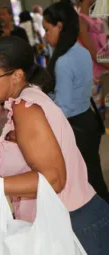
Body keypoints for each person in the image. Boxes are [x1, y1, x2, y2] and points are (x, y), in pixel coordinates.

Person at [0, 36, 109, 255]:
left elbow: (54, 179)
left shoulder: (26, 109)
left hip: (74, 226)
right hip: (63, 223)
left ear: (17, 76)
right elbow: (37, 163)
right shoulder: (25, 102)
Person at [43, 1, 109, 202]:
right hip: (88, 120)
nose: (45, 35)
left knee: (86, 183)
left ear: (60, 26)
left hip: (75, 127)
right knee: (94, 176)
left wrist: (44, 102)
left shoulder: (63, 62)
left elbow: (63, 106)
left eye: (47, 29)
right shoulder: (81, 51)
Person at [77, 0, 109, 119]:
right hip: (93, 76)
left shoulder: (99, 19)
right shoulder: (80, 20)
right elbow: (92, 53)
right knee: (98, 116)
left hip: (104, 72)